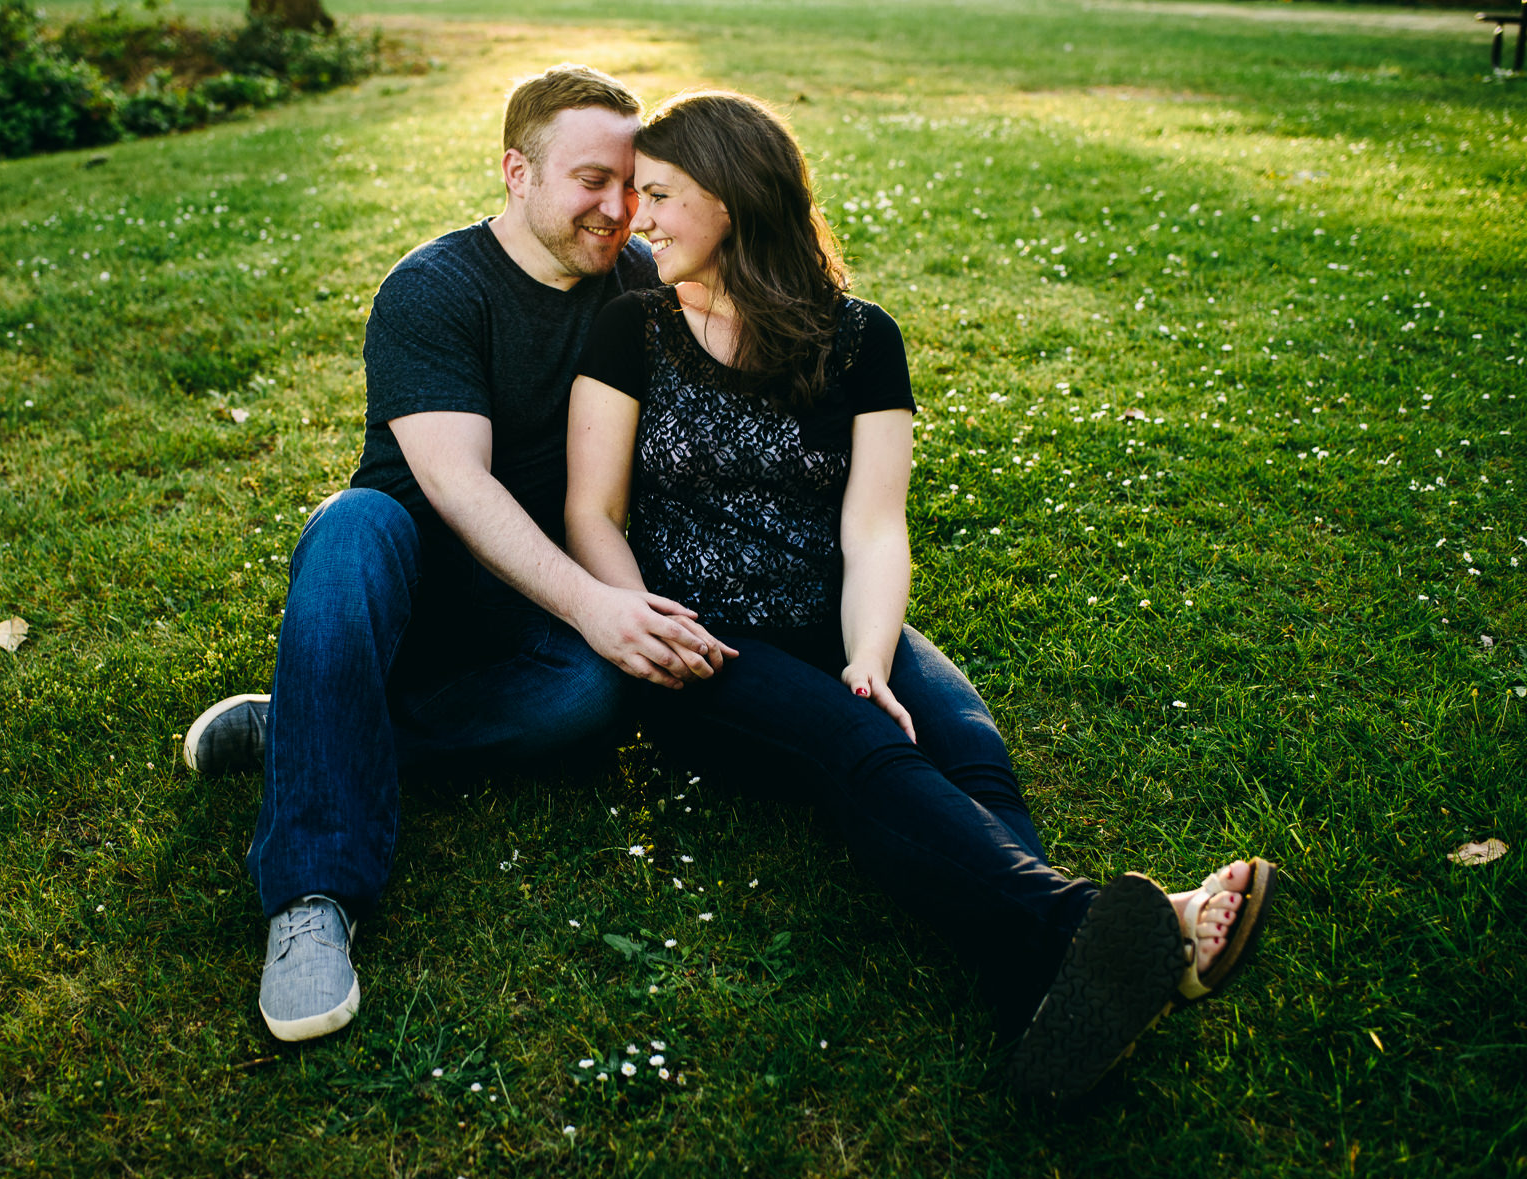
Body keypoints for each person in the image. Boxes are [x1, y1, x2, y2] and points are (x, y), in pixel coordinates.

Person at [563, 90, 1277, 1102]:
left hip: (833, 610)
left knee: (966, 742)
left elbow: (873, 525)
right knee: (863, 748)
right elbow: (592, 511)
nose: (640, 217)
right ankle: (1121, 926)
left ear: (733, 197)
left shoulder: (861, 339)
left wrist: (866, 648)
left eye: (665, 194)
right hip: (702, 645)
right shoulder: (630, 328)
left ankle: (1048, 991)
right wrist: (637, 616)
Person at [182, 65, 737, 1043]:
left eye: (628, 182)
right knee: (349, 523)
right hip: (412, 576)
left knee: (593, 696)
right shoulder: (432, 289)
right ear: (516, 172)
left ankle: (307, 728)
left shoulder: (635, 279)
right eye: (589, 181)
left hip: (525, 597)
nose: (616, 210)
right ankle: (311, 894)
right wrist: (596, 607)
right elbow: (460, 488)